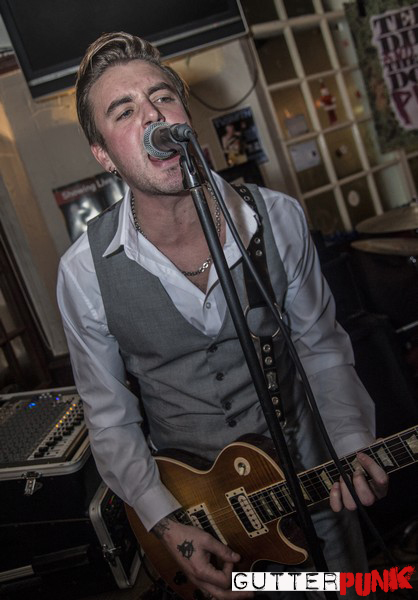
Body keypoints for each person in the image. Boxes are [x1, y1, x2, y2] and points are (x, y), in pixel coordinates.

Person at [57, 32, 388, 599]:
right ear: (104, 155)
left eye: (162, 97)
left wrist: (351, 439)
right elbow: (110, 419)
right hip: (205, 517)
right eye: (124, 111)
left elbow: (322, 349)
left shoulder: (276, 218)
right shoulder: (84, 272)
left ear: (185, 119)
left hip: (313, 486)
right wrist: (167, 526)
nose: (152, 115)